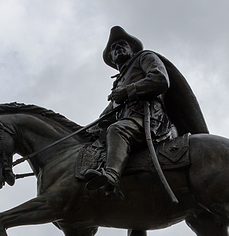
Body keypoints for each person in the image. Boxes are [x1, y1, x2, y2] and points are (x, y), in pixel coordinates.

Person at [84, 26, 208, 197]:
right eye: (113, 48)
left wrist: (127, 91)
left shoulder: (145, 57)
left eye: (122, 44)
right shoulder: (119, 80)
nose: (117, 48)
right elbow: (108, 114)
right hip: (129, 120)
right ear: (112, 58)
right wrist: (86, 131)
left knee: (117, 130)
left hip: (150, 119)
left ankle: (111, 175)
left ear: (132, 49)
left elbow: (160, 79)